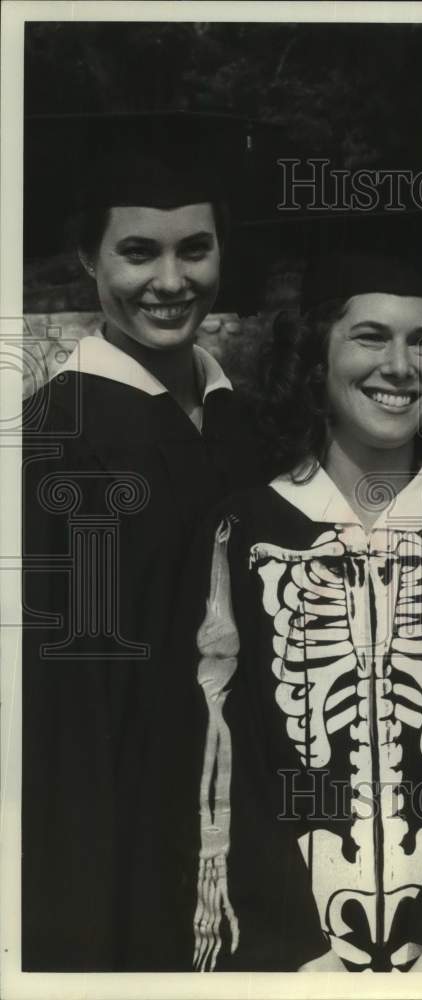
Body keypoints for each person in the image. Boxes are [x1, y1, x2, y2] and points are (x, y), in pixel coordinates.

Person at [184, 219, 422, 973]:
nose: (401, 366)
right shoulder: (250, 528)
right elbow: (237, 761)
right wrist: (294, 944)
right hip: (290, 953)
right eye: (371, 337)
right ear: (317, 355)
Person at [22, 123, 267, 971]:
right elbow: (63, 725)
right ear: (87, 258)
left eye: (195, 250)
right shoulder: (62, 440)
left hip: (251, 851)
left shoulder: (244, 423)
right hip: (120, 860)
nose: (170, 282)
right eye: (137, 252)